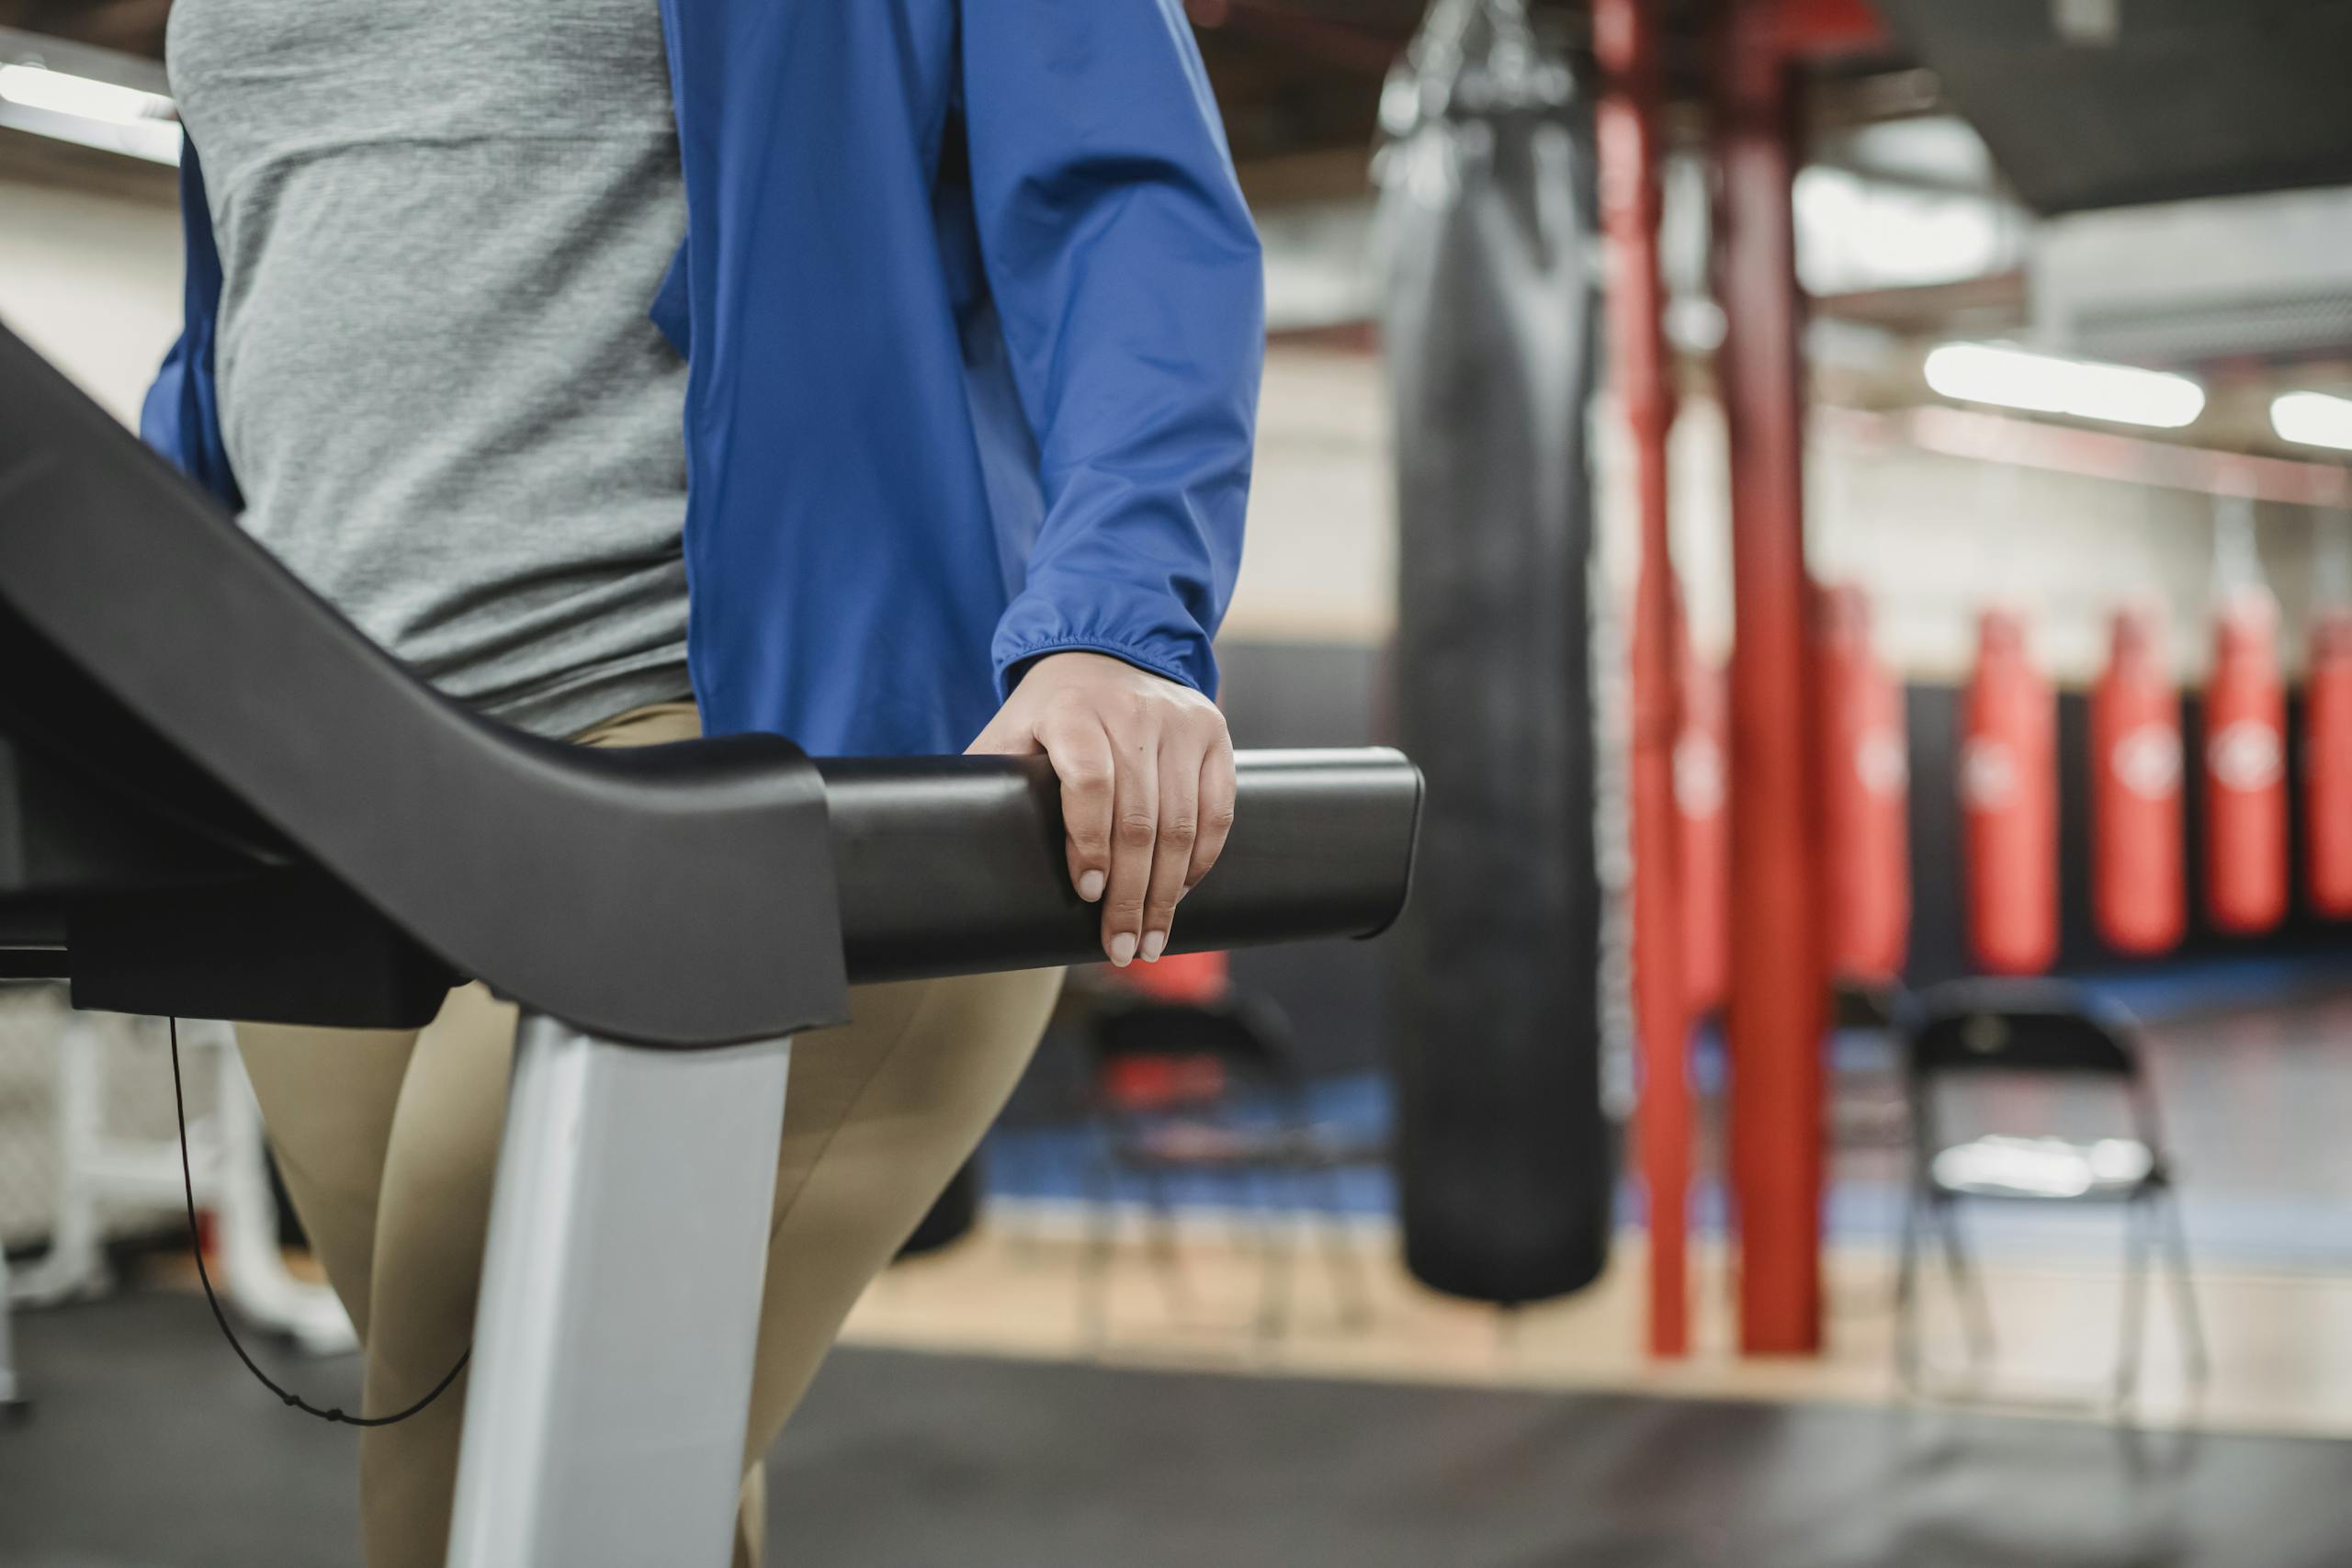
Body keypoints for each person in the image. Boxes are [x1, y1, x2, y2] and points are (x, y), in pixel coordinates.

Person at [139, 2, 1264, 1563]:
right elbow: (251, 293)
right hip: (329, 790)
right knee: (622, 1488)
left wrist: (1120, 618)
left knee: (487, 1492)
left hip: (718, 757)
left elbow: (1121, 190)